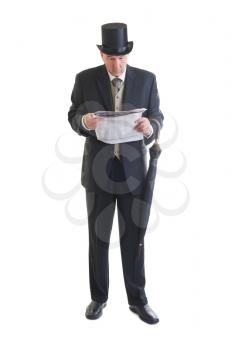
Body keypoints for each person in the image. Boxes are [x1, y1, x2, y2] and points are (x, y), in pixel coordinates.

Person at [68, 22, 164, 324]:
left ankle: (138, 300)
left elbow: (157, 116)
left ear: (127, 54)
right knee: (98, 238)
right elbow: (72, 116)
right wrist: (84, 121)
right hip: (98, 174)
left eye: (121, 58)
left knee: (134, 238)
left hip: (134, 174)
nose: (117, 63)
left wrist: (151, 128)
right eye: (111, 57)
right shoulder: (85, 80)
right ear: (102, 55)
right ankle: (98, 298)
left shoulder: (147, 80)